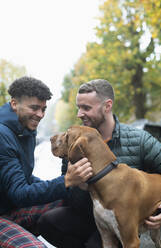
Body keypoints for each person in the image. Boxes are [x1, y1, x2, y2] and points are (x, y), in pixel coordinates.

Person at [38, 79, 161, 248]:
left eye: (86, 108)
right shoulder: (75, 141)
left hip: (122, 217)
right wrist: (74, 183)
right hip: (90, 214)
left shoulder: (139, 140)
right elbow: (68, 198)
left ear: (107, 106)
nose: (79, 114)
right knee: (47, 221)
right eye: (78, 107)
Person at [0, 76, 92, 248]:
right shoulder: (2, 135)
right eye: (34, 108)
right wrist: (66, 181)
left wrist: (67, 186)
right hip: (4, 214)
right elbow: (19, 193)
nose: (40, 115)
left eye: (43, 109)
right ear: (14, 104)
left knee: (68, 201)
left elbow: (23, 177)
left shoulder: (25, 130)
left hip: (10, 209)